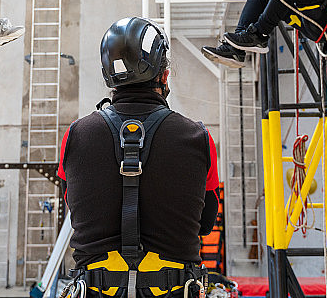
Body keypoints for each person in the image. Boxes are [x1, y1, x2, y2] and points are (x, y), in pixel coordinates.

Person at [58, 17, 219, 298]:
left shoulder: (76, 136)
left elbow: (74, 208)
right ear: (164, 76)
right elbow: (205, 223)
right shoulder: (199, 139)